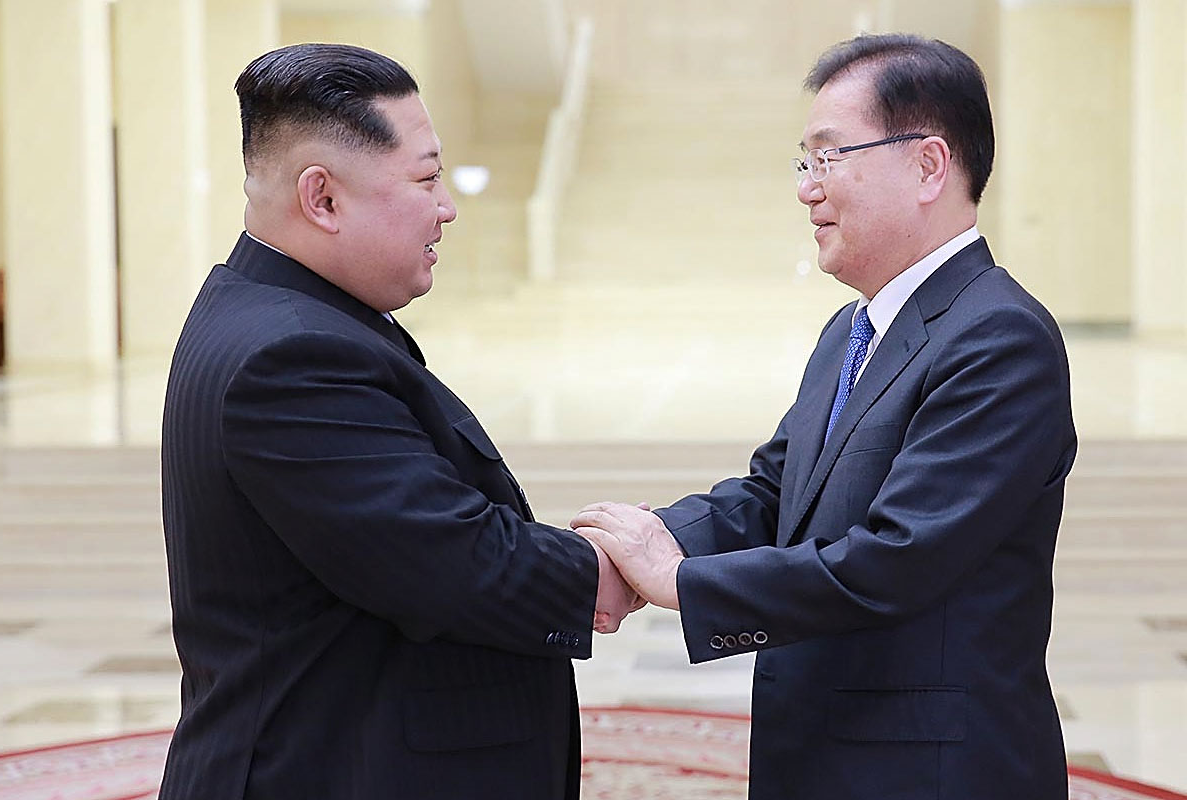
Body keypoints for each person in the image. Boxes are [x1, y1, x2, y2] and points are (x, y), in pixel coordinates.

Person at [573, 33, 1076, 800]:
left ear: (928, 165)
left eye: (829, 157)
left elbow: (895, 560)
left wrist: (681, 580)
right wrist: (648, 541)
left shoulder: (1000, 336)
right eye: (804, 162)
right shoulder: (853, 329)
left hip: (931, 773)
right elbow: (777, 493)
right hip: (826, 754)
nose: (808, 188)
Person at [158, 43, 635, 800]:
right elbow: (457, 564)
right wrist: (622, 569)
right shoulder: (291, 357)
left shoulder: (282, 313)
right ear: (324, 199)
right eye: (425, 178)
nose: (446, 206)